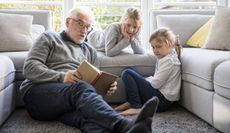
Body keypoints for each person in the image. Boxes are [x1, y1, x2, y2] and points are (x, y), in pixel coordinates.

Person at [20, 6, 159, 133]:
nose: (84, 30)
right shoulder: (49, 38)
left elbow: (90, 93)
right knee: (80, 87)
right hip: (38, 96)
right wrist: (62, 77)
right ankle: (124, 125)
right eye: (80, 23)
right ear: (68, 22)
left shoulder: (90, 51)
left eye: (88, 26)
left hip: (68, 102)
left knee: (87, 118)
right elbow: (29, 68)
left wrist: (105, 88)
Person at [115, 27, 181, 116]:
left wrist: (145, 80)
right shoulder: (165, 57)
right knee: (129, 69)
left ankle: (136, 106)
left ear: (169, 44)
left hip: (162, 102)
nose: (155, 50)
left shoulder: (169, 61)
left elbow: (155, 84)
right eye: (153, 47)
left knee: (127, 73)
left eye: (158, 47)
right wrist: (145, 80)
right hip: (159, 96)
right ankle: (132, 101)